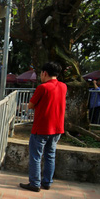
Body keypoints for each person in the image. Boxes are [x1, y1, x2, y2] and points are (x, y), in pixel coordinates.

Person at [19, 62, 67, 192]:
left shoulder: (43, 87)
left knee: (36, 155)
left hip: (42, 127)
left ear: (44, 73)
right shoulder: (63, 86)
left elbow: (31, 105)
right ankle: (47, 182)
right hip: (57, 128)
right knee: (50, 155)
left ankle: (34, 183)